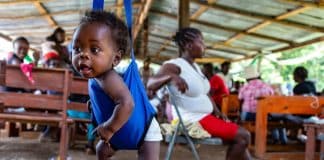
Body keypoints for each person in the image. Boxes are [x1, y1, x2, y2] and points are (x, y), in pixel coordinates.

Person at [147, 27, 251, 160]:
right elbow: (151, 83)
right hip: (192, 120)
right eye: (201, 42)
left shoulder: (195, 67)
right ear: (189, 45)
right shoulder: (174, 65)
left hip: (204, 117)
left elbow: (205, 93)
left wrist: (217, 112)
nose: (204, 46)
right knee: (244, 136)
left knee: (240, 140)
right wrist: (171, 77)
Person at [71, 11, 161, 160]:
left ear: (116, 58)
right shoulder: (95, 76)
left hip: (144, 130)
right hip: (121, 129)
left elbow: (127, 103)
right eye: (77, 48)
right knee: (102, 151)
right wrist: (94, 105)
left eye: (94, 49)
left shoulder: (108, 77)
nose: (83, 54)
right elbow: (108, 98)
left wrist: (108, 128)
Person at [239, 66, 287, 144]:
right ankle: (280, 140)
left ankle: (248, 140)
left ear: (246, 78)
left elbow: (240, 100)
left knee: (244, 112)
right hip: (265, 115)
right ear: (258, 76)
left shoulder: (245, 87)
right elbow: (273, 98)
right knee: (274, 117)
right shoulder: (267, 86)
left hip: (248, 115)